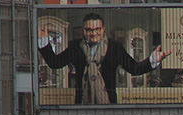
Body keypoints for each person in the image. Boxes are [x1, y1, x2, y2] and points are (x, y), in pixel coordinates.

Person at [38, 13, 172, 105]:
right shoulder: (75, 46)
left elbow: (134, 69)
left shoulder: (114, 47)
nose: (94, 33)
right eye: (89, 30)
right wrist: (44, 43)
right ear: (84, 30)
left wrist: (153, 60)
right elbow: (55, 63)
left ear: (103, 29)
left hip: (108, 103)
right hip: (82, 104)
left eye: (97, 29)